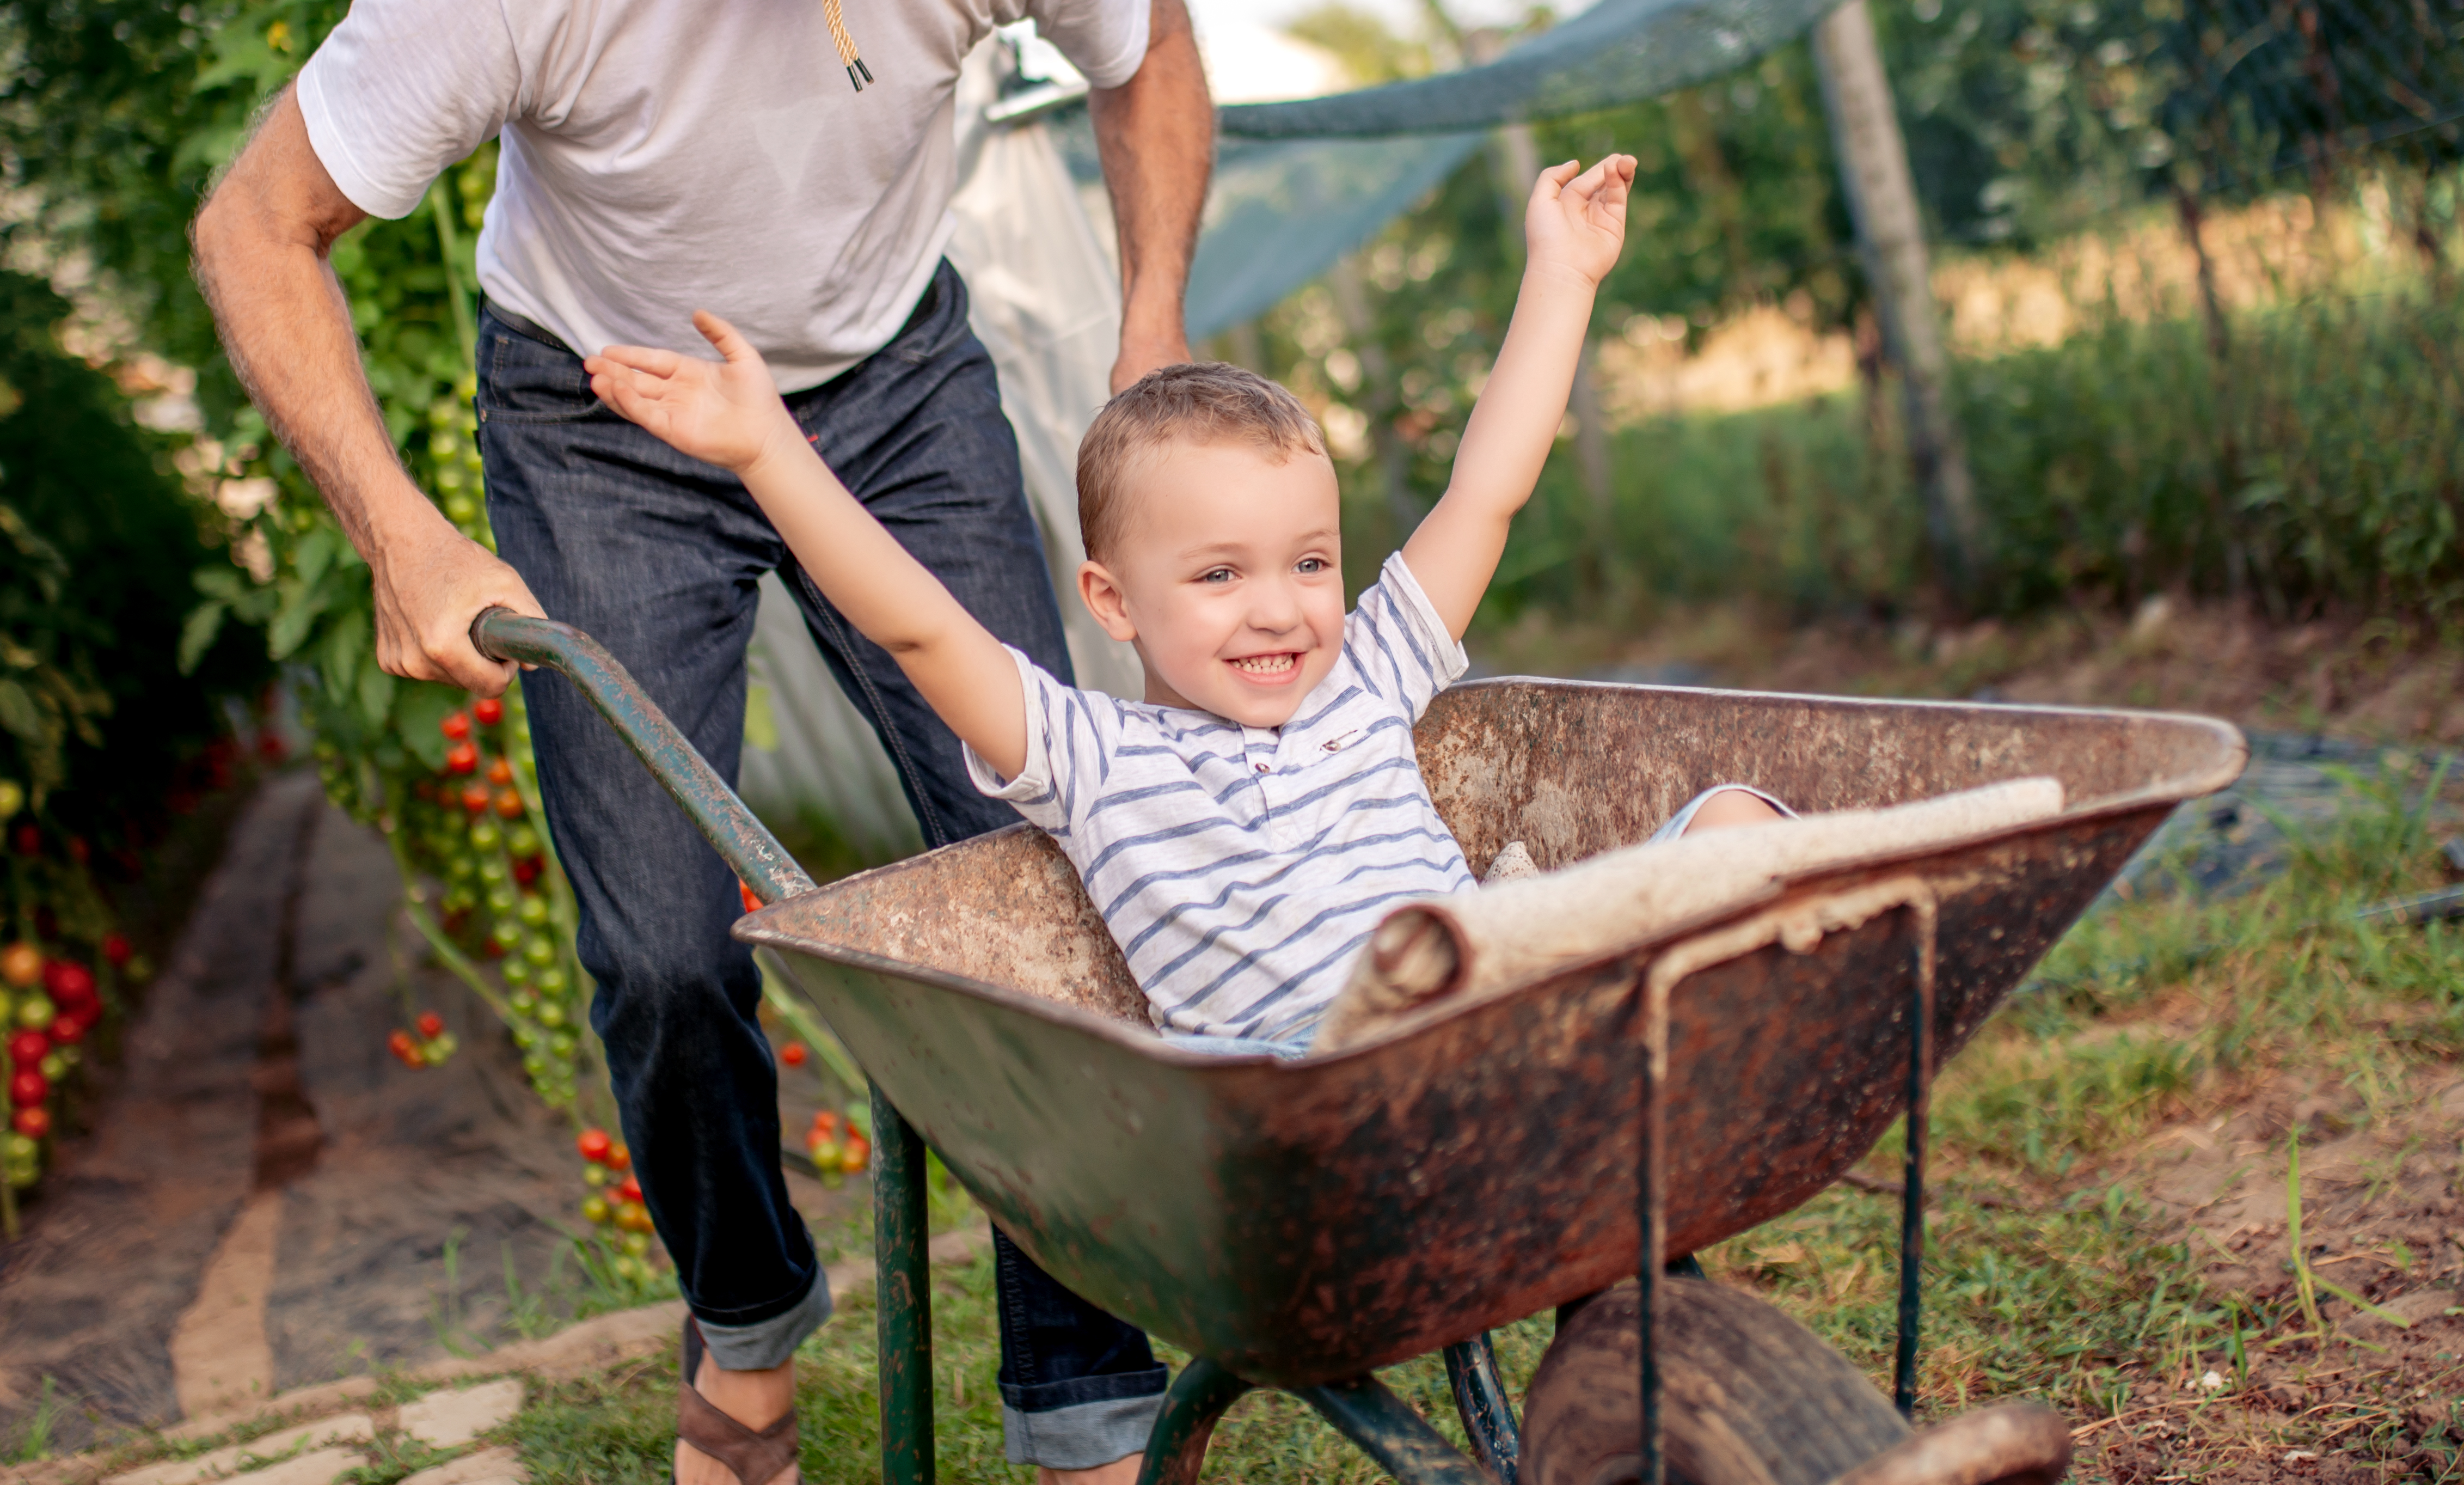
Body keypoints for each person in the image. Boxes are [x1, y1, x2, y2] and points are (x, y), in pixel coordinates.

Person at [191, 0, 1275, 1485]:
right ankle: (752, 1307)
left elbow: (1145, 53)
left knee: (1043, 855)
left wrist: (1147, 324)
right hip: (599, 412)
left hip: (886, 384)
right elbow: (257, 229)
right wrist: (406, 535)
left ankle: (1078, 1400)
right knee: (670, 946)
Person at [586, 155, 1789, 1060]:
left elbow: (1485, 491)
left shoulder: (1369, 674)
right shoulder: (1090, 757)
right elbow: (917, 624)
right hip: (1328, 1079)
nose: (1277, 611)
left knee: (1735, 818)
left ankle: (1709, 1061)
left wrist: (1561, 277)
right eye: (1218, 575)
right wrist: (765, 450)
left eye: (1308, 563)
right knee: (1425, 974)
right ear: (1110, 600)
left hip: (1501, 1000)